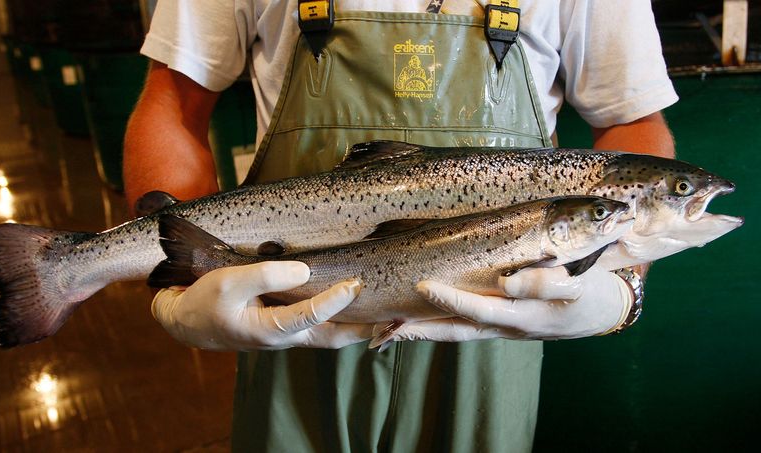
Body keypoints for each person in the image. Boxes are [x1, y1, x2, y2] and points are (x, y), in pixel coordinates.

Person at [124, 1, 677, 451]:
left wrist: (622, 284)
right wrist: (184, 281)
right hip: (287, 325)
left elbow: (629, 120)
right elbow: (174, 101)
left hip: (496, 329)